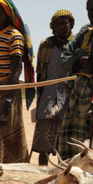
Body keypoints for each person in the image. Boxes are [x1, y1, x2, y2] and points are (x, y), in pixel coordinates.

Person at [58, 0, 93, 159]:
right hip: (77, 90)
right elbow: (65, 56)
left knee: (90, 136)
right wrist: (80, 59)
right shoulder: (85, 31)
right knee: (68, 133)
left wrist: (88, 60)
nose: (90, 14)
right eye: (88, 10)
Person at [0, 0, 34, 163]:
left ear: (8, 15)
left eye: (0, 14)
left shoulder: (15, 36)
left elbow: (16, 72)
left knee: (9, 134)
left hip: (8, 92)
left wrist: (8, 103)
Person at [30, 10, 74, 165]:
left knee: (65, 146)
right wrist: (39, 100)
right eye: (57, 24)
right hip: (47, 98)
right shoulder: (46, 45)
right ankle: (42, 175)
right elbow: (40, 74)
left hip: (68, 99)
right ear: (52, 27)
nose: (61, 27)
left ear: (71, 24)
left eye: (64, 22)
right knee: (43, 146)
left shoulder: (76, 45)